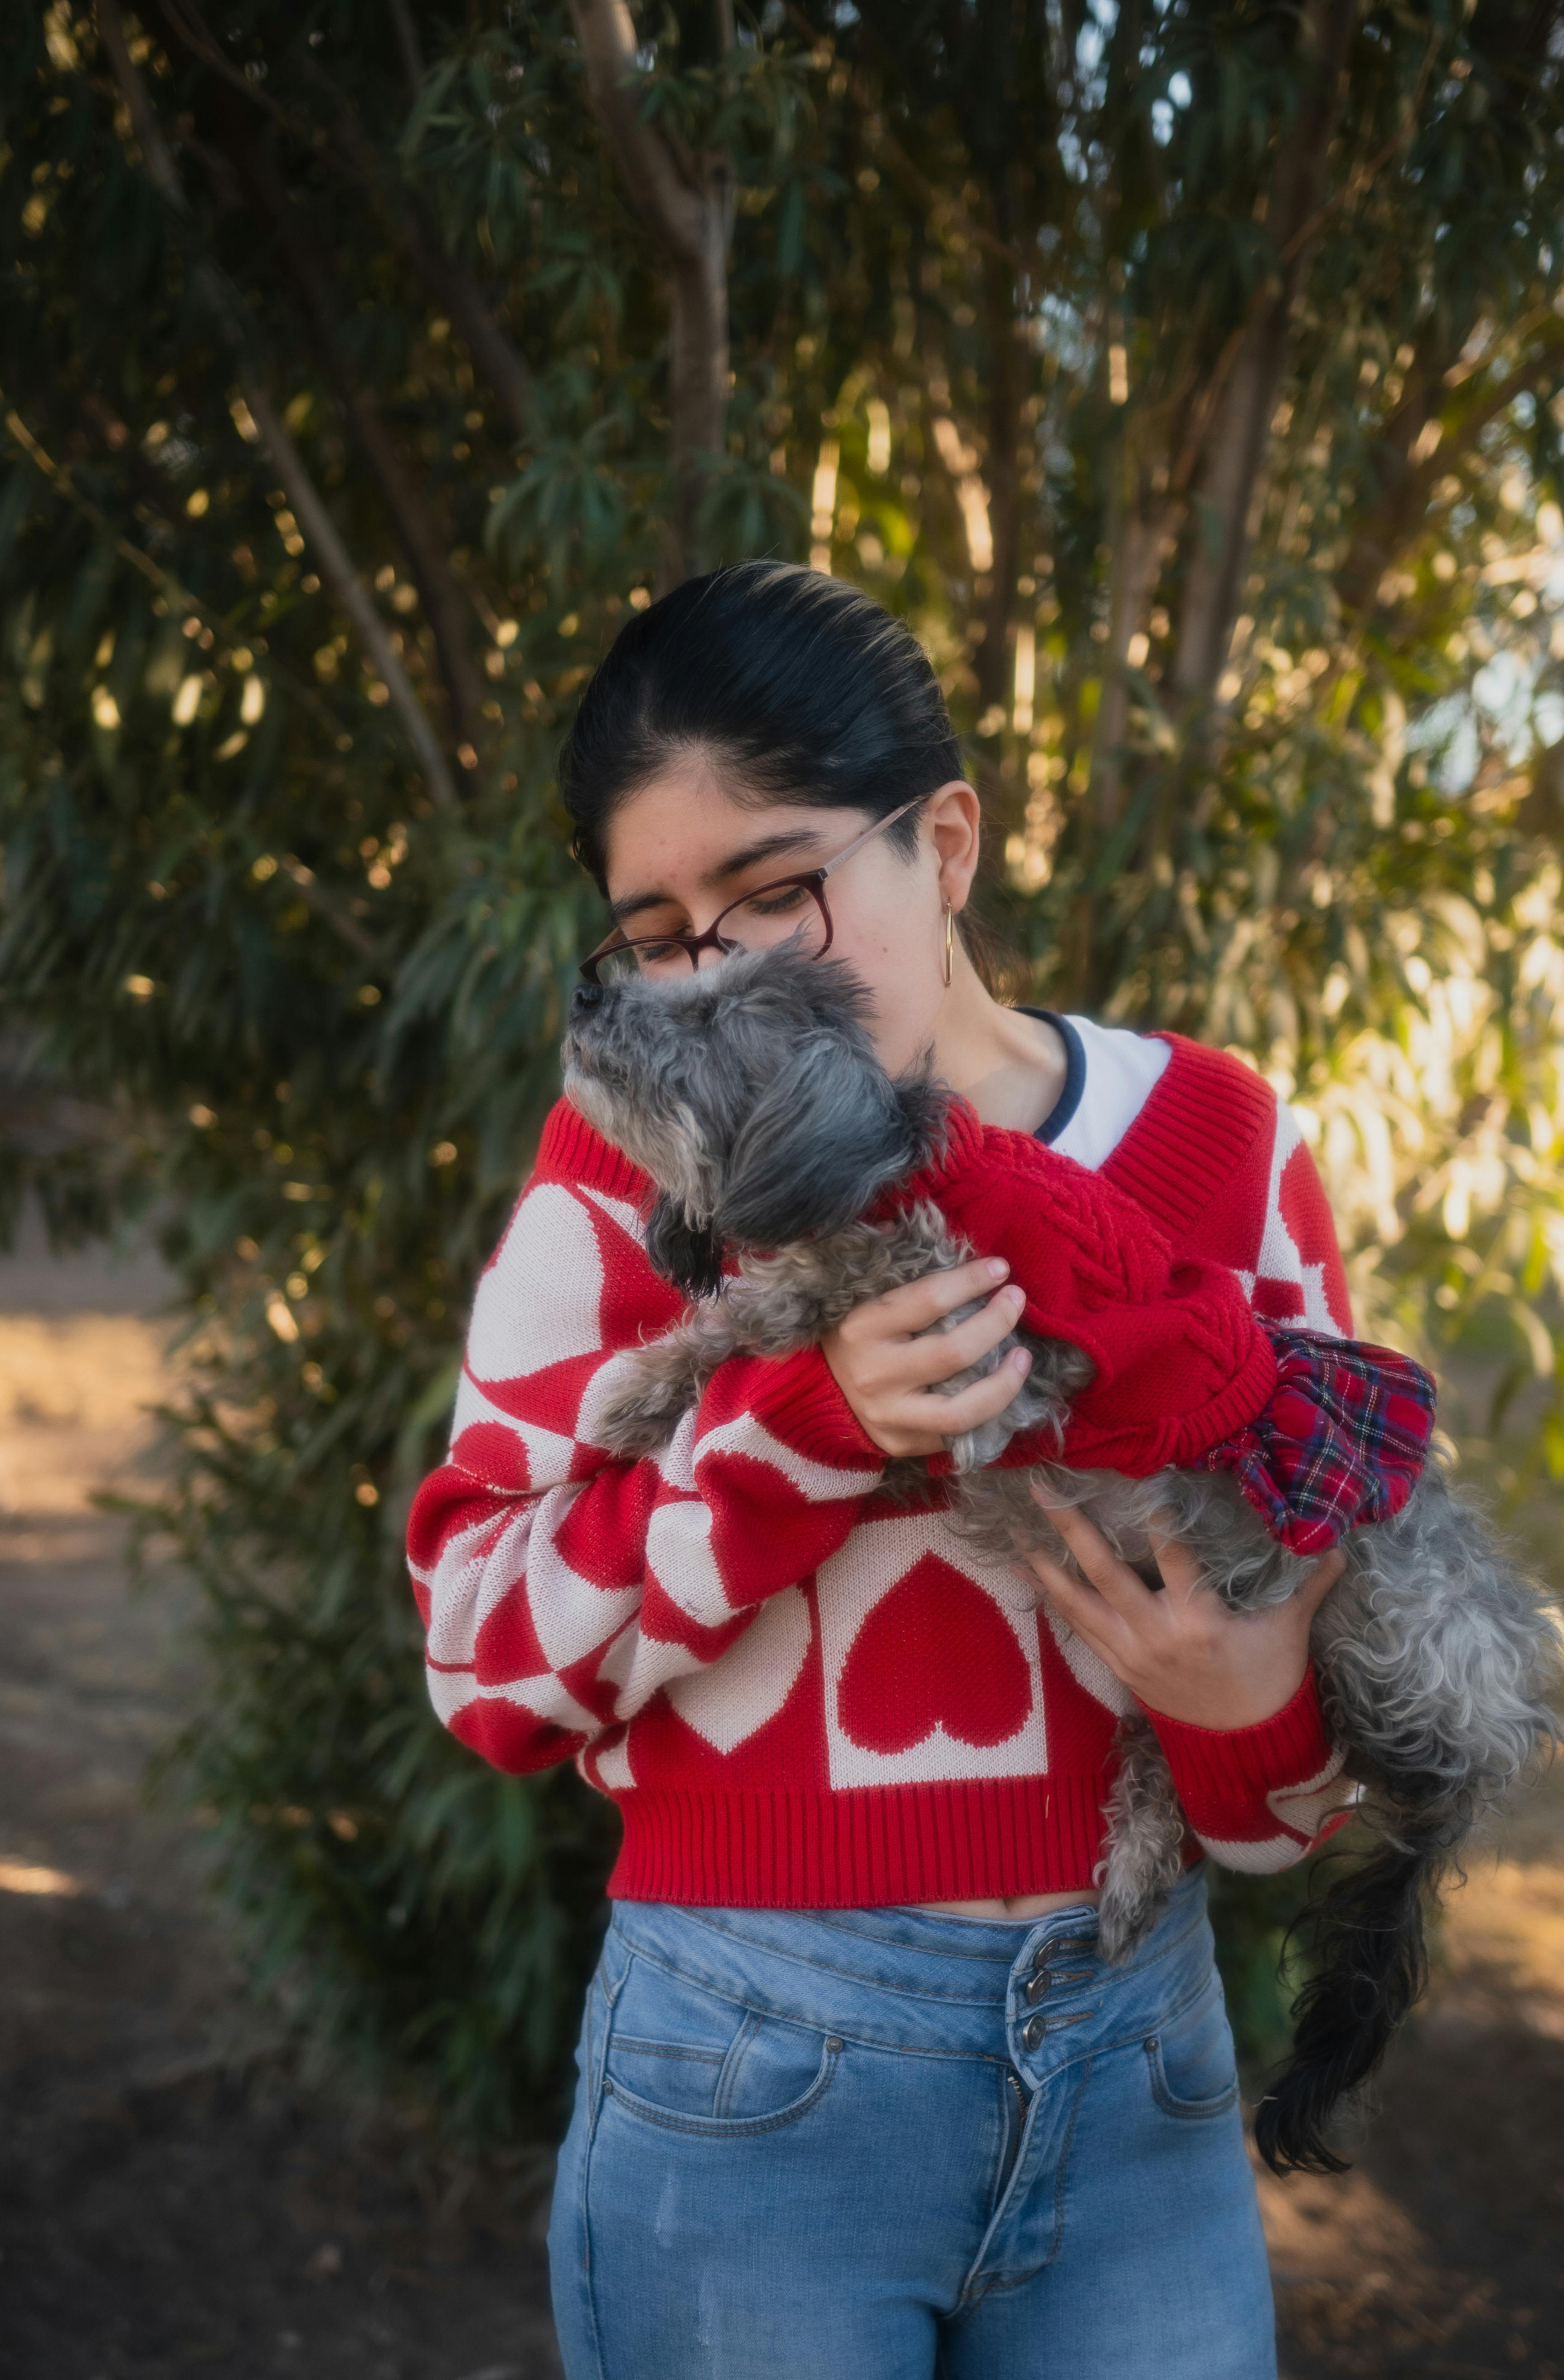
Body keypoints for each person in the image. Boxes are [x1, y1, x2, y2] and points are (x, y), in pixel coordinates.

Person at [406, 562, 1358, 2380]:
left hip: (1136, 2065)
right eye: (661, 930)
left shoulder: (1217, 1147)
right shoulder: (631, 1171)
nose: (725, 973)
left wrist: (1242, 1699)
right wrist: (804, 1433)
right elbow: (481, 1654)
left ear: (944, 838)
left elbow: (1284, 1807)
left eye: (777, 889)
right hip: (752, 2075)